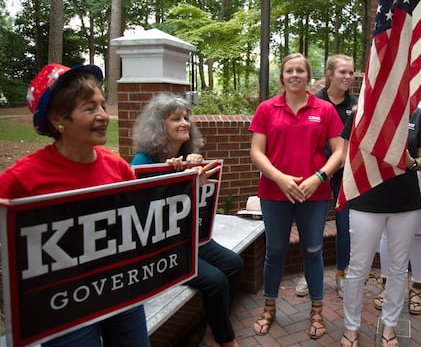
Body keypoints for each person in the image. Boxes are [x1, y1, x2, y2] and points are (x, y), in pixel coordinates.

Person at [0, 63, 150, 347]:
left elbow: (140, 218)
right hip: (62, 306)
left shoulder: (117, 166)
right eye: (90, 108)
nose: (104, 116)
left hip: (121, 291)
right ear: (59, 119)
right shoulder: (22, 177)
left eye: (103, 105)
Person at [131, 93, 242, 347]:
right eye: (175, 119)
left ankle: (215, 326)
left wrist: (194, 171)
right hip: (161, 247)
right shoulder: (143, 163)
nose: (184, 123)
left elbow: (201, 203)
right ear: (160, 125)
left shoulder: (189, 156)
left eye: (186, 117)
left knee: (233, 263)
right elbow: (148, 216)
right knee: (215, 281)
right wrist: (187, 183)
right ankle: (226, 340)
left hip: (191, 236)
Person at [249, 53, 344, 339]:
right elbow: (256, 152)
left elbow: (340, 151)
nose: (294, 75)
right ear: (282, 77)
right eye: (289, 70)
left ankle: (316, 310)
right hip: (274, 193)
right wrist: (279, 178)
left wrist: (319, 177)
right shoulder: (267, 109)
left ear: (309, 77)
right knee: (275, 251)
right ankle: (269, 306)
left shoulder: (324, 109)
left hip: (313, 194)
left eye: (300, 70)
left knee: (313, 251)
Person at [341, 108, 421, 347]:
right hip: (366, 201)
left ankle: (390, 324)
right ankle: (351, 327)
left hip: (405, 203)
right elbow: (344, 157)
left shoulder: (416, 115)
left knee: (398, 268)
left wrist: (413, 163)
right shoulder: (359, 113)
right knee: (358, 268)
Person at [374, 88, 421, 315]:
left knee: (419, 234)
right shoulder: (393, 87)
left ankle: (417, 286)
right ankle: (387, 285)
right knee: (388, 233)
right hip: (392, 179)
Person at [295, 54, 357, 299]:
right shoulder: (314, 102)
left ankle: (341, 274)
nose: (348, 77)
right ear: (330, 74)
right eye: (343, 72)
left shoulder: (356, 106)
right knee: (312, 227)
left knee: (345, 226)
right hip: (317, 175)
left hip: (344, 176)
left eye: (351, 72)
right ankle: (309, 273)